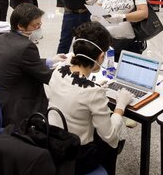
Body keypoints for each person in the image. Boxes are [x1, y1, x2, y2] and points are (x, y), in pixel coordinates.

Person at [48, 22, 134, 175]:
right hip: (77, 156)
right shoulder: (92, 92)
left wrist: (93, 86)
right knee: (111, 142)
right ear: (101, 56)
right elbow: (109, 134)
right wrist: (120, 106)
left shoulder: (58, 71)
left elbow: (74, 94)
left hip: (52, 141)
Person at [0, 3, 66, 126]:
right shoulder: (26, 46)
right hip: (15, 108)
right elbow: (47, 77)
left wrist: (50, 61)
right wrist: (70, 69)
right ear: (20, 26)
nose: (39, 27)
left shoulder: (2, 38)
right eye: (36, 25)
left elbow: (23, 62)